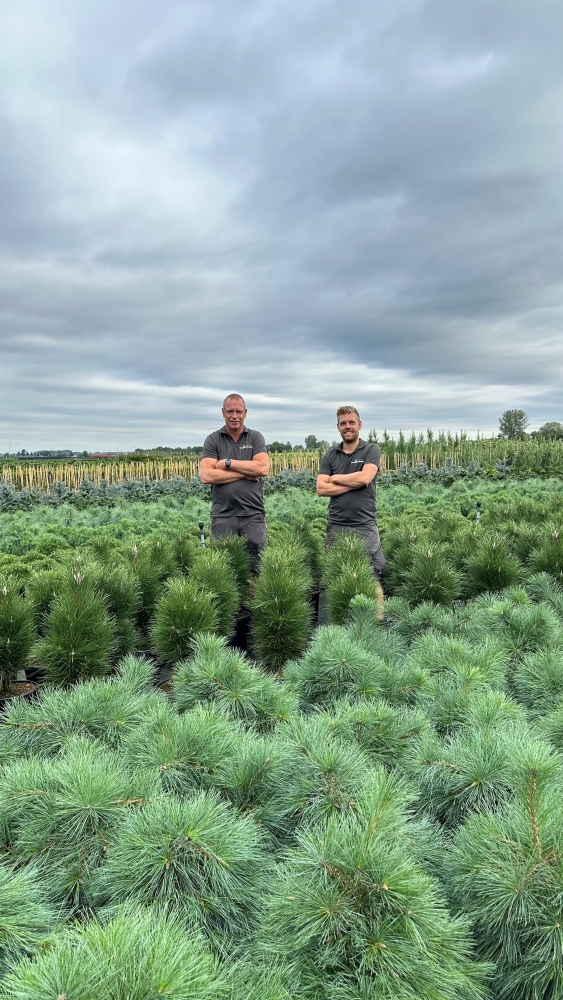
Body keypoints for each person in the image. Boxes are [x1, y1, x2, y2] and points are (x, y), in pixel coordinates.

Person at [200, 393, 269, 571]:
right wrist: (245, 473)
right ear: (223, 412)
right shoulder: (213, 440)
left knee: (256, 568)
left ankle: (254, 599)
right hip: (223, 516)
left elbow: (262, 469)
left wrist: (228, 464)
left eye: (238, 411)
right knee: (223, 569)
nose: (234, 416)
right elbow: (206, 475)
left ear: (245, 413)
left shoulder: (255, 438)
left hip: (252, 515)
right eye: (230, 411)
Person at [316, 405, 385, 584]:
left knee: (371, 575)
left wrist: (336, 478)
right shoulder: (330, 456)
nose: (348, 426)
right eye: (343, 423)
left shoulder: (371, 450)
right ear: (338, 427)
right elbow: (321, 489)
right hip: (337, 525)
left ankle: (374, 613)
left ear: (359, 424)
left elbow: (365, 478)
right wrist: (354, 482)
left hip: (364, 525)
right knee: (338, 577)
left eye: (351, 422)